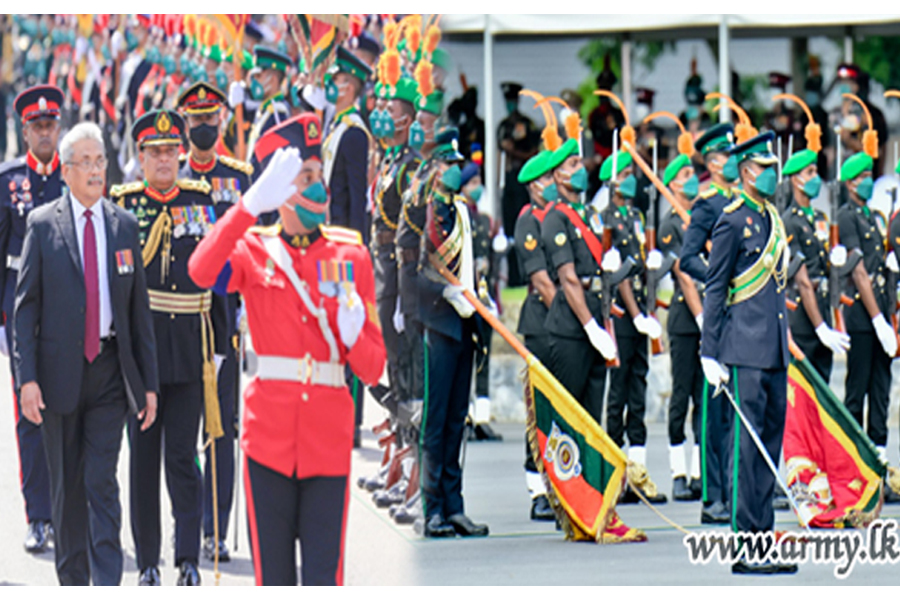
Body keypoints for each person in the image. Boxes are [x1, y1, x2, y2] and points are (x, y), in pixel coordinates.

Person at [188, 121, 386, 585]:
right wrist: (247, 207)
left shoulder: (351, 256)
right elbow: (200, 270)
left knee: (323, 578)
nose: (318, 182)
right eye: (305, 174)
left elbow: (374, 367)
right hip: (268, 441)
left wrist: (353, 335)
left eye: (319, 170)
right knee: (273, 580)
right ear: (281, 188)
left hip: (327, 442)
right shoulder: (255, 249)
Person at [13, 122, 158, 585]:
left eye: (102, 161)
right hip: (58, 376)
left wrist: (148, 385)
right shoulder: (42, 225)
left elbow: (139, 315)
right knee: (67, 489)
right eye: (88, 162)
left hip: (110, 373)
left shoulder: (124, 226)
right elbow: (24, 311)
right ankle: (73, 581)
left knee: (101, 479)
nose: (97, 170)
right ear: (68, 170)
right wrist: (26, 380)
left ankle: (107, 581)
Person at [111, 109, 225, 586]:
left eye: (170, 151)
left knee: (183, 455)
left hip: (189, 346)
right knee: (142, 458)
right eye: (154, 152)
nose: (164, 160)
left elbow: (218, 278)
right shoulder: (124, 204)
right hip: (145, 347)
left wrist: (221, 347)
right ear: (139, 158)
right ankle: (149, 561)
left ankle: (188, 558)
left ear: (181, 154)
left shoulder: (202, 200)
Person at [700, 131, 796, 575]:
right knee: (744, 449)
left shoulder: (773, 217)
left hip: (773, 350)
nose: (773, 174)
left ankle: (764, 540)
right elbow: (716, 286)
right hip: (742, 349)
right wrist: (710, 351)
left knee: (767, 450)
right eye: (765, 167)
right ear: (746, 171)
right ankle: (744, 546)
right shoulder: (733, 220)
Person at [176, 81, 254, 563]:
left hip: (225, 320)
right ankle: (188, 525)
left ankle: (216, 529)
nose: (203, 128)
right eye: (195, 120)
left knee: (221, 431)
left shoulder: (239, 178)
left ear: (222, 121)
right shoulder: (170, 179)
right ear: (184, 124)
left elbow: (254, 241)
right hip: (181, 323)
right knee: (183, 434)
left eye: (211, 119)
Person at [0, 84, 65, 553]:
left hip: (66, 310)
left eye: (50, 125)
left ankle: (67, 509)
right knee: (29, 414)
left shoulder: (74, 177)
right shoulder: (7, 181)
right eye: (37, 126)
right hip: (20, 311)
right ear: (25, 130)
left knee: (67, 411)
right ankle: (38, 515)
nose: (45, 133)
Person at [416, 155, 489, 539]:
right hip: (437, 323)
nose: (453, 171)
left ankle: (454, 505)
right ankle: (432, 509)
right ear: (432, 169)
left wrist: (480, 296)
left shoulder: (461, 212)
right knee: (436, 420)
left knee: (457, 418)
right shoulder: (422, 210)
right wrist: (443, 290)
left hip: (464, 322)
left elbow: (471, 267)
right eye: (447, 163)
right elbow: (414, 268)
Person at [598, 150, 666, 502]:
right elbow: (617, 272)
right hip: (623, 316)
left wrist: (653, 269)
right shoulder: (605, 216)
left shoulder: (637, 215)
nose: (630, 177)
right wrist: (637, 313)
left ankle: (638, 472)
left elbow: (639, 266)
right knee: (618, 393)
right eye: (623, 172)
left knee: (637, 392)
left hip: (642, 311)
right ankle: (615, 473)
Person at [678, 122, 736, 525]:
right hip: (720, 315)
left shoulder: (743, 201)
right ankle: (713, 496)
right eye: (730, 156)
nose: (735, 162)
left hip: (745, 317)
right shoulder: (708, 204)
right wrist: (720, 279)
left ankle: (736, 490)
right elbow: (688, 258)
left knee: (738, 414)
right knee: (714, 413)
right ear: (714, 162)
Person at [837, 151, 898, 482]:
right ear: (851, 182)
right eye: (862, 177)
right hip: (862, 318)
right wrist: (877, 320)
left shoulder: (872, 216)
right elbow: (859, 272)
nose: (868, 182)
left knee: (880, 391)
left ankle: (878, 465)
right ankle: (852, 467)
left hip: (881, 316)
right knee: (856, 391)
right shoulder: (847, 217)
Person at [513, 149, 557, 521]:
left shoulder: (560, 215)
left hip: (565, 322)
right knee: (539, 410)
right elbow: (541, 279)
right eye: (549, 177)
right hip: (543, 322)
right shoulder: (529, 221)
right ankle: (537, 490)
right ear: (534, 185)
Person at [372, 76, 421, 410]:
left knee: (401, 350)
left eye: (389, 110)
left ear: (406, 120)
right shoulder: (389, 160)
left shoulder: (411, 165)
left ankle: (408, 422)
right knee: (389, 348)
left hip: (397, 264)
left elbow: (411, 229)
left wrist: (407, 291)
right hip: (381, 262)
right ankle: (398, 420)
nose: (381, 115)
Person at [657, 153, 704, 501]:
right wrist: (702, 316)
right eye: (685, 175)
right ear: (672, 184)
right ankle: (678, 470)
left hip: (709, 316)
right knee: (682, 394)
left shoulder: (701, 216)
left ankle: (701, 471)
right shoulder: (671, 224)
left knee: (704, 397)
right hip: (687, 321)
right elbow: (684, 275)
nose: (691, 180)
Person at [781, 146, 849, 381]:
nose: (815, 178)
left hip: (822, 309)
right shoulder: (789, 222)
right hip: (803, 319)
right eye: (809, 173)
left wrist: (837, 260)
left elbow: (826, 271)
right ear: (795, 179)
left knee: (823, 387)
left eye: (815, 172)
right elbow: (802, 280)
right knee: (804, 393)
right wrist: (820, 327)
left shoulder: (820, 218)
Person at [323, 47, 373, 242]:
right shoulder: (337, 124)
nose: (330, 84)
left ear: (349, 88)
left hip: (342, 229)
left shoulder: (354, 132)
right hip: (330, 224)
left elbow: (356, 194)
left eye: (336, 80)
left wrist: (356, 241)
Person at [497, 81, 539, 287]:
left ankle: (526, 275)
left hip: (523, 179)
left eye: (512, 100)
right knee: (509, 233)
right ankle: (514, 277)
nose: (510, 104)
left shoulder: (527, 124)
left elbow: (533, 152)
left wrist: (513, 151)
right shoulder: (504, 126)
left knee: (525, 228)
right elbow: (499, 151)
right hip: (509, 180)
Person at [245, 46, 292, 160]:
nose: (254, 81)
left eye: (259, 76)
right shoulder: (265, 109)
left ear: (273, 79)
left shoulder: (277, 113)